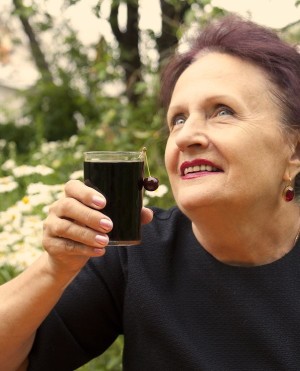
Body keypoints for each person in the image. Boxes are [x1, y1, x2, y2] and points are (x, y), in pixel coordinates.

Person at [2, 13, 300, 370]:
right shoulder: (136, 252)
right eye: (178, 119)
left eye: (222, 111)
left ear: (294, 150)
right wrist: (55, 267)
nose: (187, 136)